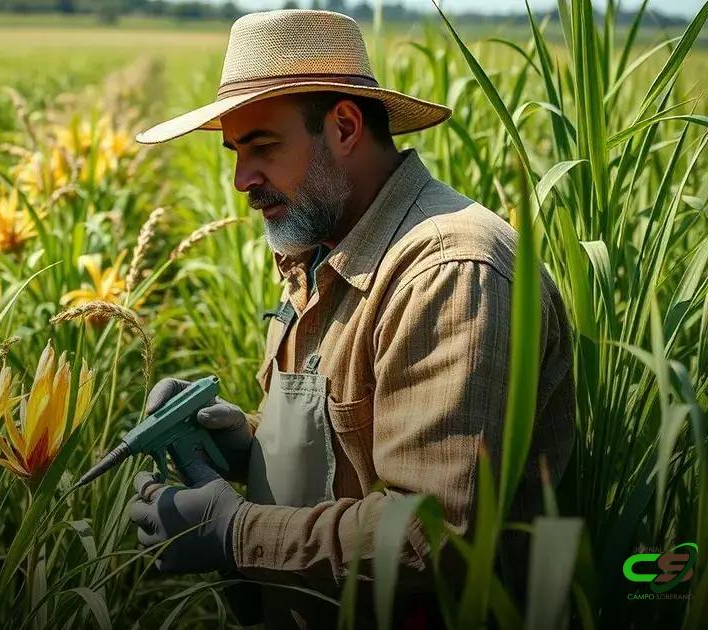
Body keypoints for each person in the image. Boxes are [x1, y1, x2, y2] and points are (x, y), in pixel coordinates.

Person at [125, 9, 576, 629]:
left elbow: (431, 537)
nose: (240, 179)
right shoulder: (320, 243)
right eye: (234, 152)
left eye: (262, 147)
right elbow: (363, 452)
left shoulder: (448, 273)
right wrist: (251, 445)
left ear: (343, 126)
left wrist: (235, 533)